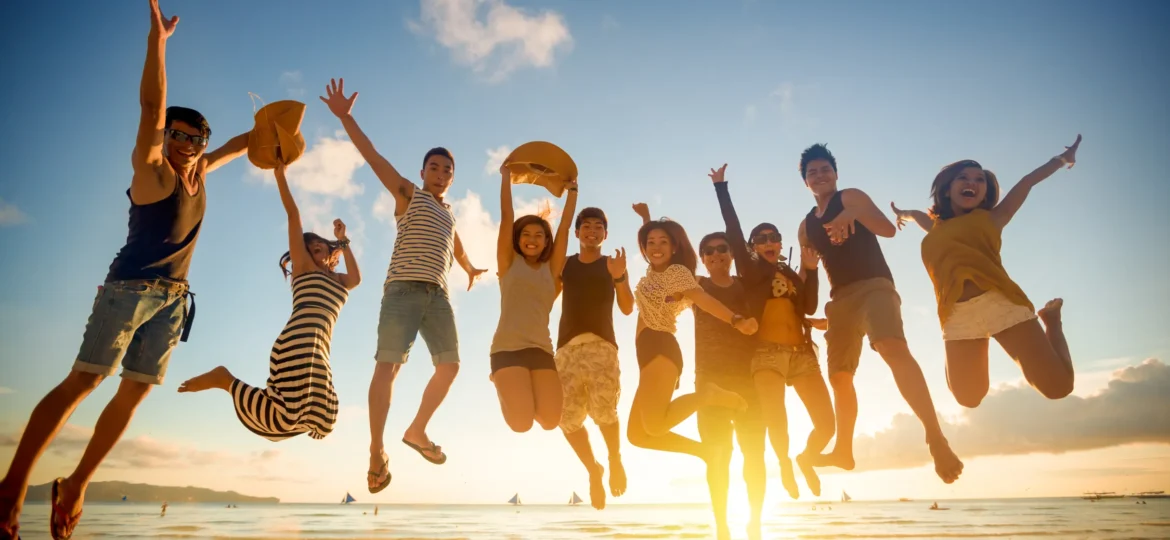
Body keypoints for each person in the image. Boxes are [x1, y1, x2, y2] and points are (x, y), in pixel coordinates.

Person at [0, 2, 253, 538]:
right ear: (166, 138)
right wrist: (158, 44)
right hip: (128, 291)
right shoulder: (154, 168)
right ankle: (12, 486)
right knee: (85, 379)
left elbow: (241, 145)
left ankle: (76, 484)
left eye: (194, 138)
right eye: (177, 135)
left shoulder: (200, 170)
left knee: (136, 391)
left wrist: (275, 127)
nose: (185, 145)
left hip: (174, 300)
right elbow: (150, 106)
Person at [319, 79, 487, 493]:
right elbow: (373, 158)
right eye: (435, 167)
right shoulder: (409, 195)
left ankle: (416, 431)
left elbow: (456, 242)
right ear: (422, 171)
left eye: (448, 169)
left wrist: (468, 268)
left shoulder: (448, 214)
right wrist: (347, 118)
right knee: (388, 367)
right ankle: (377, 453)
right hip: (403, 290)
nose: (442, 173)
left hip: (439, 297)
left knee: (450, 367)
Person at [797, 143, 963, 484]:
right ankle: (844, 450)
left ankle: (935, 436)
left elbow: (887, 229)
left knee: (891, 346)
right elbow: (808, 275)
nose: (820, 175)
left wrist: (852, 215)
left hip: (874, 285)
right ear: (806, 182)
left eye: (825, 169)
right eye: (812, 172)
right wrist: (807, 279)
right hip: (840, 299)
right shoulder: (805, 227)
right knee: (840, 377)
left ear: (836, 174)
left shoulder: (851, 197)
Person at [889, 135, 1081, 408]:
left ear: (985, 190)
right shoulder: (934, 227)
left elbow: (1027, 182)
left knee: (1058, 388)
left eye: (979, 179)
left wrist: (1062, 160)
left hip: (1002, 304)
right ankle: (973, 346)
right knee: (968, 398)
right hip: (957, 316)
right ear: (947, 189)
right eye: (964, 178)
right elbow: (916, 214)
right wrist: (902, 214)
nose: (972, 183)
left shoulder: (993, 218)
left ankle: (1052, 321)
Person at [177, 163, 361, 440]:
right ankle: (225, 380)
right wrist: (280, 174)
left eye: (319, 248)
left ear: (329, 251)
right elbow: (293, 214)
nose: (314, 253)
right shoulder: (303, 270)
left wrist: (343, 241)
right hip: (295, 342)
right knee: (285, 416)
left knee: (327, 418)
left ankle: (231, 384)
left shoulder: (338, 281)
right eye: (309, 250)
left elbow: (357, 278)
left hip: (320, 348)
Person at [707, 164, 836, 499]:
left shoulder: (791, 275)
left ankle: (805, 459)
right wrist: (721, 187)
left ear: (780, 243)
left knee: (827, 425)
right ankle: (783, 463)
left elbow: (807, 306)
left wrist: (810, 271)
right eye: (760, 239)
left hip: (802, 354)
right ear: (751, 247)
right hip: (767, 354)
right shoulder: (750, 270)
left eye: (773, 237)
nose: (768, 242)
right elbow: (732, 229)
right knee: (777, 421)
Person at [625, 203, 757, 461]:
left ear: (674, 247)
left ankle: (708, 396)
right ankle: (706, 452)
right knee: (637, 435)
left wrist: (735, 319)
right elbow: (651, 249)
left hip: (660, 347)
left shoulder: (677, 274)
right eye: (650, 243)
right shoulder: (655, 274)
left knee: (654, 426)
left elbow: (704, 300)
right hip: (647, 353)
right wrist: (646, 220)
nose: (656, 247)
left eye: (664, 242)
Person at [554, 205, 633, 510]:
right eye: (586, 226)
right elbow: (546, 298)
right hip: (567, 349)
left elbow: (627, 308)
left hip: (602, 346)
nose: (592, 231)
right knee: (566, 418)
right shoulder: (565, 264)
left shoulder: (612, 265)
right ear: (577, 233)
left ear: (605, 233)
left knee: (605, 412)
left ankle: (614, 459)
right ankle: (593, 470)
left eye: (598, 226)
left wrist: (619, 277)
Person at [489, 164, 578, 432]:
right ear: (517, 239)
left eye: (539, 235)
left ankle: (516, 386)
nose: (532, 239)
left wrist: (572, 192)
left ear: (546, 242)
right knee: (521, 424)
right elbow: (507, 217)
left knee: (551, 422)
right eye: (526, 234)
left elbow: (564, 228)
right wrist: (506, 179)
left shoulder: (552, 271)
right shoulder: (508, 263)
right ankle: (500, 378)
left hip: (540, 350)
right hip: (507, 349)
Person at [692, 232, 767, 540]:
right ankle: (722, 525)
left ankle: (755, 523)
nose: (715, 254)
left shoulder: (745, 285)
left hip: (749, 380)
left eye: (722, 248)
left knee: (754, 454)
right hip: (710, 383)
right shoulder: (696, 286)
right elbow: (663, 267)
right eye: (708, 251)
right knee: (718, 455)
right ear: (702, 258)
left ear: (732, 253)